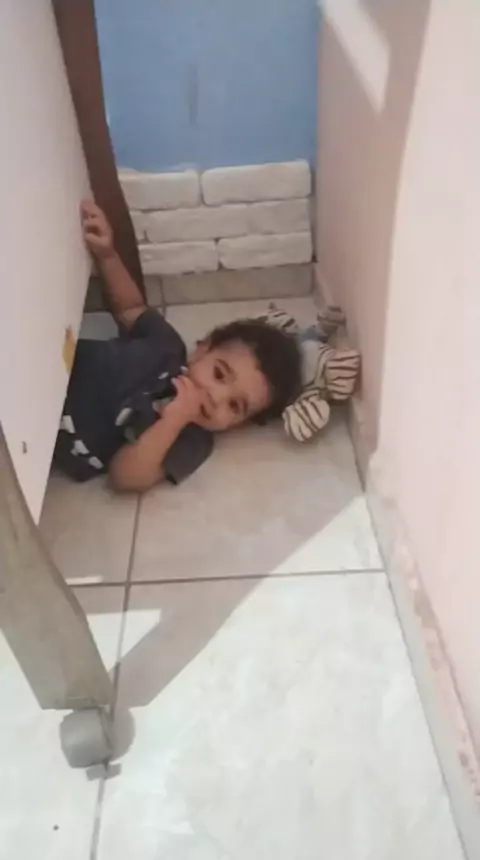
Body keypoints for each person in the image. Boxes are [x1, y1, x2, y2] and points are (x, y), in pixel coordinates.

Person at [54, 201, 302, 493]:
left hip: (38, 441)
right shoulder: (166, 346)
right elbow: (130, 308)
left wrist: (173, 421)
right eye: (219, 374)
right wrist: (107, 256)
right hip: (53, 364)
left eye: (235, 406)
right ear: (203, 349)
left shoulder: (192, 441)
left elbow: (124, 478)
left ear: (239, 425)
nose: (216, 397)